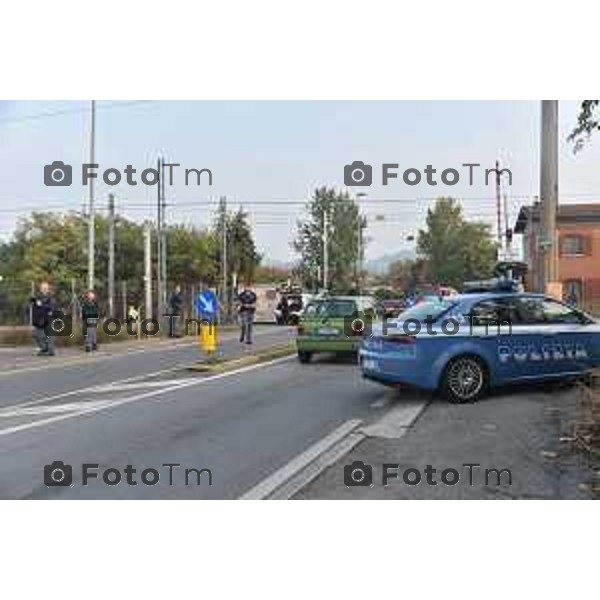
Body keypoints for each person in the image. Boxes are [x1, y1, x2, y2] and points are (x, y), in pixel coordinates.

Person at [30, 281, 55, 356]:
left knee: (49, 336)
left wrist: (42, 305)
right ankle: (44, 349)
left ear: (48, 289)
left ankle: (49, 350)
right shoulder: (37, 297)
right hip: (39, 320)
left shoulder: (51, 297)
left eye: (45, 288)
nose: (44, 289)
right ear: (40, 289)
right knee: (36, 334)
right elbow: (34, 308)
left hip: (48, 320)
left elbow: (51, 307)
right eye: (42, 288)